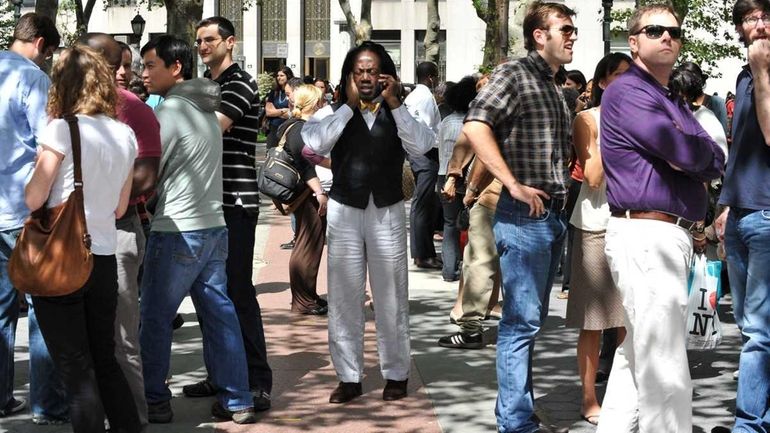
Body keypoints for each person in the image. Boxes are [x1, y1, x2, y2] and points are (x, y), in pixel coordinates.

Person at [597, 5, 725, 432]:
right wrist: (692, 155)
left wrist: (694, 156)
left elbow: (712, 154)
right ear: (633, 41)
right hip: (648, 233)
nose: (666, 37)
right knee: (664, 364)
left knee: (638, 355)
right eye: (655, 30)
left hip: (662, 235)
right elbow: (687, 151)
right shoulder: (628, 92)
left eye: (673, 31)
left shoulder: (668, 96)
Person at [462, 2, 578, 431]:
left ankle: (516, 414)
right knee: (520, 323)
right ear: (538, 35)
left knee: (529, 321)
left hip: (551, 217)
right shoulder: (515, 74)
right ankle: (515, 423)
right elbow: (476, 125)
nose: (571, 36)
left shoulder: (553, 83)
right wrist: (510, 183)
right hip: (525, 215)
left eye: (572, 30)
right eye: (564, 29)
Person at [301, 41, 436, 404]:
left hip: (387, 210)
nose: (365, 78)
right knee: (344, 296)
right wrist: (346, 105)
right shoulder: (332, 112)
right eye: (358, 71)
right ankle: (348, 376)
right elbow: (314, 142)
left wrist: (394, 103)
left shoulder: (399, 111)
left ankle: (396, 373)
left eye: (372, 70)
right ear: (348, 76)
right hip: (345, 209)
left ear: (386, 75)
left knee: (391, 295)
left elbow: (423, 145)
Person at [138, 35, 256, 424]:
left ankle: (155, 399)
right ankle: (238, 398)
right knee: (220, 314)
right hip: (213, 227)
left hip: (177, 228)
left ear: (176, 68)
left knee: (155, 318)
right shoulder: (204, 110)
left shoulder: (170, 111)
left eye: (150, 65)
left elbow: (146, 173)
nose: (143, 73)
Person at [25, 44, 140, 433]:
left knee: (75, 369)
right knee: (103, 361)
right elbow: (122, 207)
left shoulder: (61, 128)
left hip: (61, 256)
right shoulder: (125, 134)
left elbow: (34, 197)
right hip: (103, 256)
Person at [182, 16, 273, 410]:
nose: (203, 46)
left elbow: (206, 132)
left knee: (237, 292)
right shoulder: (205, 86)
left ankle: (255, 381)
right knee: (208, 294)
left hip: (235, 202)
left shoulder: (239, 83)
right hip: (205, 203)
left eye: (210, 40)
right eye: (199, 40)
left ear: (230, 42)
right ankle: (220, 373)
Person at [77, 32, 162, 429]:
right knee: (82, 340)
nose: (125, 74)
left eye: (125, 65)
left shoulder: (133, 110)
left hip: (120, 233)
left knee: (121, 338)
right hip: (75, 238)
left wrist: (100, 197)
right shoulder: (64, 113)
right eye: (119, 65)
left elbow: (146, 178)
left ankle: (133, 419)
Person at [0, 13, 68, 424]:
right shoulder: (33, 79)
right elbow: (49, 146)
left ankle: (2, 397)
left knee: (1, 308)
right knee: (43, 306)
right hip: (23, 209)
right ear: (42, 44)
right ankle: (47, 403)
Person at [564, 51, 631, 426]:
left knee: (628, 318)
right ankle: (589, 397)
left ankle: (624, 394)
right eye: (619, 76)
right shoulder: (587, 120)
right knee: (594, 320)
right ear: (603, 81)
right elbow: (592, 176)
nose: (627, 82)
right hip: (595, 223)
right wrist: (619, 129)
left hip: (635, 223)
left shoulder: (644, 114)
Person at [714, 1, 770, 431]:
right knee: (753, 326)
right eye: (751, 18)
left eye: (767, 16)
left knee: (759, 332)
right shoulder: (744, 75)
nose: (761, 24)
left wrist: (764, 73)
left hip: (768, 214)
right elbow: (743, 146)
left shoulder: (762, 74)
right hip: (741, 213)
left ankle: (749, 424)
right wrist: (726, 203)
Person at [278, 84, 329, 315]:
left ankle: (307, 296)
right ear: (313, 104)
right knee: (308, 246)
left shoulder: (287, 126)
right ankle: (303, 300)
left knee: (305, 244)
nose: (323, 104)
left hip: (295, 192)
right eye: (320, 101)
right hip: (306, 194)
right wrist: (319, 193)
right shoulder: (300, 129)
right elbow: (306, 166)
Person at [436, 76, 477, 282]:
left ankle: (448, 270)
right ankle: (469, 271)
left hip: (443, 175)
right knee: (473, 224)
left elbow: (438, 148)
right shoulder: (473, 124)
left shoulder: (445, 122)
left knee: (449, 224)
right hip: (467, 178)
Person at [405, 61, 443, 270]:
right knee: (422, 205)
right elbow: (428, 130)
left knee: (425, 204)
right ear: (430, 77)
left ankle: (425, 252)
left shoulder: (413, 96)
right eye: (436, 76)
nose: (437, 80)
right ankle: (422, 254)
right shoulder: (425, 97)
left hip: (418, 152)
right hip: (425, 153)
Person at [265, 66, 294, 148]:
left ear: (288, 76)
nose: (278, 78)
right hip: (273, 128)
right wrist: (283, 110)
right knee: (271, 153)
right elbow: (268, 112)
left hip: (288, 128)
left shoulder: (293, 92)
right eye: (277, 76)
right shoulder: (274, 92)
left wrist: (276, 112)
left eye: (281, 75)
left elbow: (293, 112)